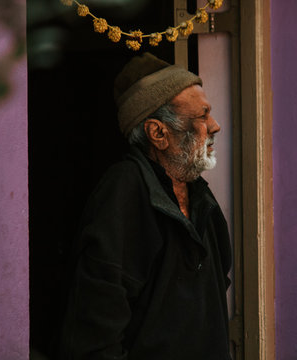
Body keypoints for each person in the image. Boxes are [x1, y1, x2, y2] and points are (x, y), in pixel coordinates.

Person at [60, 53, 232, 360]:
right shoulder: (123, 193)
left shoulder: (200, 195)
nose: (214, 126)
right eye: (202, 116)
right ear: (158, 133)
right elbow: (97, 329)